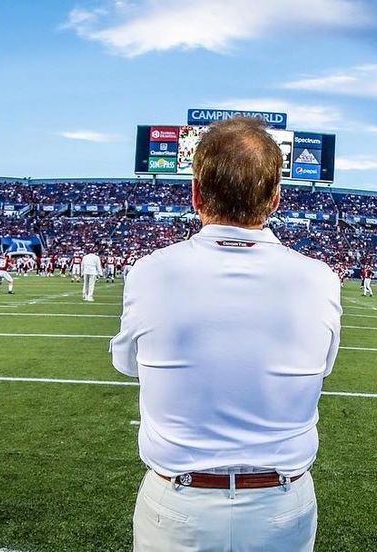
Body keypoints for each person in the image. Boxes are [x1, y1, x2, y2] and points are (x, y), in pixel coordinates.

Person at [110, 117, 341, 551]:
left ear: (196, 193)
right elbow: (323, 367)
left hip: (179, 503)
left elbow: (125, 363)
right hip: (281, 503)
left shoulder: (151, 271)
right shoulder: (320, 279)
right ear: (275, 199)